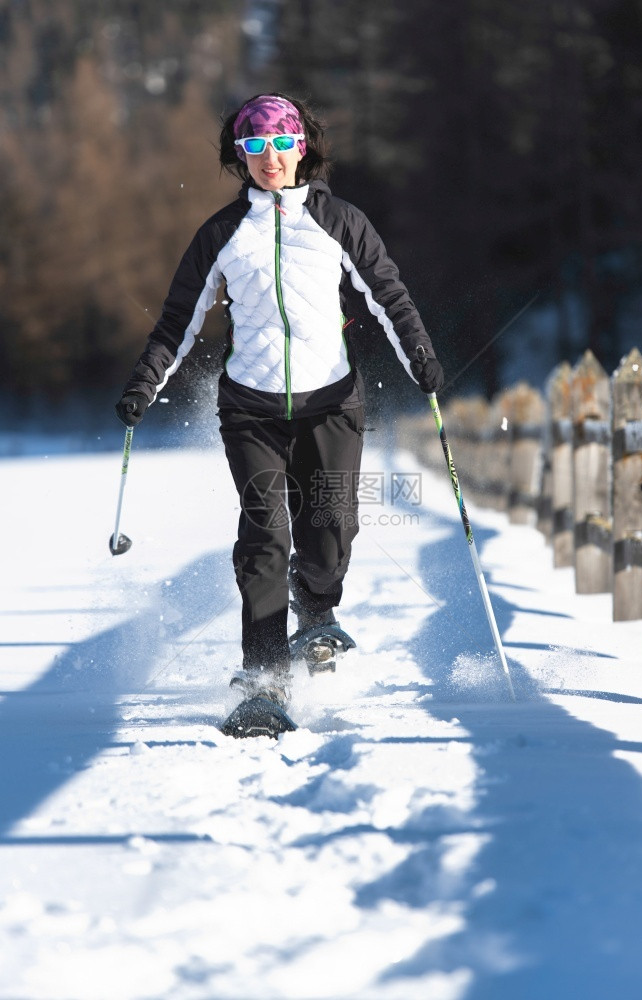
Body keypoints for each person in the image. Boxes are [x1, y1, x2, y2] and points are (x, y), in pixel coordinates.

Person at [115, 92, 444, 705]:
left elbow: (389, 298)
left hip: (332, 404)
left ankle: (316, 616)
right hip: (251, 409)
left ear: (302, 147)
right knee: (265, 535)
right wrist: (144, 384)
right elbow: (177, 322)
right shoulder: (220, 233)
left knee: (329, 526)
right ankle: (263, 677)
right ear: (240, 155)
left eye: (281, 142)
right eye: (255, 145)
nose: (270, 157)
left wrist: (420, 358)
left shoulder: (341, 220)